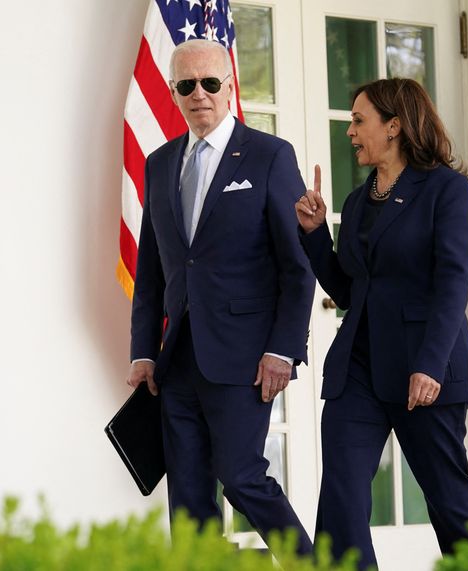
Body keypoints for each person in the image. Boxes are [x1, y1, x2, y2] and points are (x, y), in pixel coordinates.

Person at [126, 39, 315, 556]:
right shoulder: (159, 164)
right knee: (187, 501)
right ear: (173, 92)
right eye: (186, 85)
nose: (199, 94)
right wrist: (143, 351)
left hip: (245, 357)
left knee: (241, 475)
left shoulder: (270, 156)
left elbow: (297, 267)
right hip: (177, 361)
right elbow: (152, 270)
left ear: (230, 85)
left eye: (210, 83)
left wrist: (282, 349)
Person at [295, 78, 468, 569]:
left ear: (394, 126)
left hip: (425, 366)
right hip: (359, 367)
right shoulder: (359, 202)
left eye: (359, 121)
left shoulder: (447, 189)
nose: (350, 132)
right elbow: (351, 292)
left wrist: (429, 365)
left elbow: (452, 283)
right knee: (341, 493)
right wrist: (316, 237)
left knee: (449, 500)